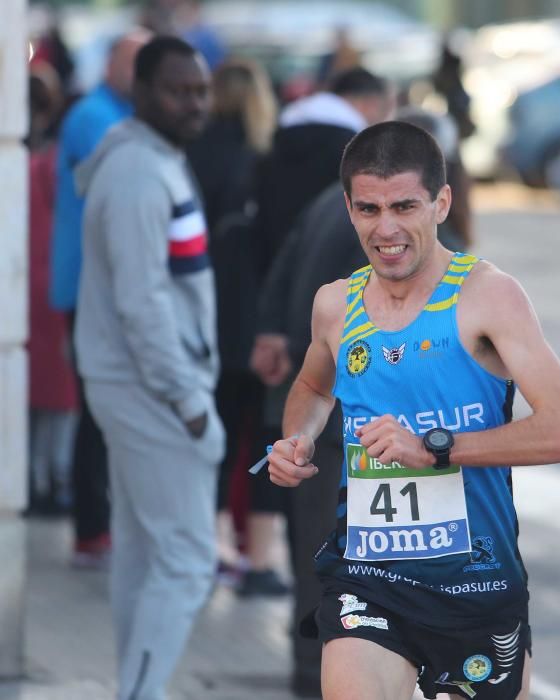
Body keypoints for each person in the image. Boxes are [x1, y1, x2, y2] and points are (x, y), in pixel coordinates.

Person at [267, 121, 560, 700]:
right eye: (368, 209)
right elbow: (315, 389)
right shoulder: (336, 305)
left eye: (404, 206)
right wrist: (298, 438)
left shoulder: (489, 296)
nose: (385, 228)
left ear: (441, 202)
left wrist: (434, 448)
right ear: (348, 207)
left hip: (476, 588)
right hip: (367, 577)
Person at [74, 36, 223, 700]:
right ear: (140, 93)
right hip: (149, 387)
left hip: (134, 381)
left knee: (144, 554)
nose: (193, 103)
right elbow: (142, 301)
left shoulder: (153, 159)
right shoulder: (137, 171)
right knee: (189, 561)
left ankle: (140, 688)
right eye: (177, 90)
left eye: (200, 90)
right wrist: (187, 397)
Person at [242, 67, 392, 602]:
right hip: (352, 425)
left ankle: (313, 671)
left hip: (316, 405)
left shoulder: (329, 200)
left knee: (316, 555)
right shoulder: (379, 230)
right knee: (345, 567)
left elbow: (279, 267)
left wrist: (271, 335)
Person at [49, 28, 151, 566]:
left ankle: (98, 524)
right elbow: (117, 200)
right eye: (138, 64)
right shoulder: (97, 118)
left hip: (99, 283)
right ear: (113, 64)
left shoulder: (110, 115)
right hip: (94, 285)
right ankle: (93, 528)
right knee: (98, 406)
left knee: (101, 405)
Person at [186, 58, 278, 584]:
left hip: (205, 311)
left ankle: (214, 538)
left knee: (212, 433)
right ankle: (253, 551)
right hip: (254, 316)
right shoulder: (263, 160)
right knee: (261, 432)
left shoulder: (189, 154)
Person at [26, 62, 78, 516]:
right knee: (61, 397)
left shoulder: (26, 167)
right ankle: (56, 478)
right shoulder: (64, 169)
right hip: (60, 287)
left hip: (26, 286)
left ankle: (33, 477)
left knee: (33, 394)